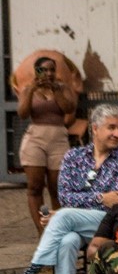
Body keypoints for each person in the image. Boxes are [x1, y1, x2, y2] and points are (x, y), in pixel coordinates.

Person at [0, 104, 118, 274]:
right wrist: (101, 197)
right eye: (111, 127)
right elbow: (64, 196)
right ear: (95, 128)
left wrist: (76, 206)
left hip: (110, 226)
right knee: (66, 241)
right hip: (80, 224)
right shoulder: (74, 157)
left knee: (62, 217)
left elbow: (117, 204)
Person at [16, 54, 77, 233]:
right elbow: (22, 113)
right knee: (34, 186)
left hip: (58, 138)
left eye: (52, 69)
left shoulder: (63, 88)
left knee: (57, 187)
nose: (49, 73)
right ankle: (42, 232)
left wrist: (56, 90)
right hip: (35, 138)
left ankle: (58, 230)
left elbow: (69, 108)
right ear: (36, 71)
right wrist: (33, 89)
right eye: (44, 70)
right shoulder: (29, 89)